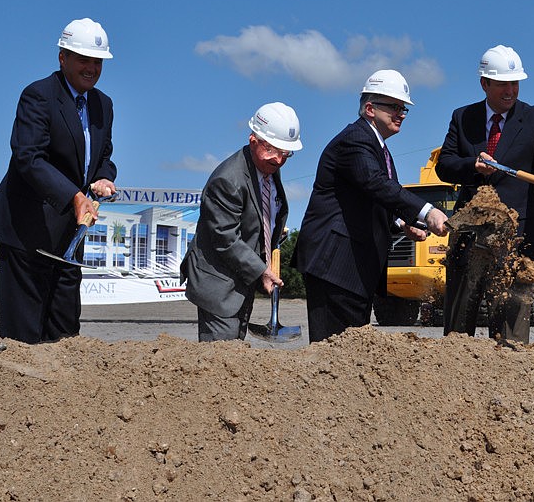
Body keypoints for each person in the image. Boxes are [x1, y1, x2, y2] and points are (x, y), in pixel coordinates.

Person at [292, 70, 449, 343]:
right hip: (336, 266)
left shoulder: (379, 149)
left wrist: (402, 224)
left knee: (351, 355)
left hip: (353, 269)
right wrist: (427, 211)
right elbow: (376, 185)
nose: (400, 114)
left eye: (404, 109)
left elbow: (369, 200)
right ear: (370, 108)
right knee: (335, 355)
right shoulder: (356, 140)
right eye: (394, 107)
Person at [0, 18, 117, 344]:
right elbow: (28, 158)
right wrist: (74, 196)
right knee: (24, 339)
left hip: (69, 239)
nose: (92, 68)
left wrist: (104, 177)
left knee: (65, 336)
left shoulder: (104, 105)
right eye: (83, 59)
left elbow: (102, 157)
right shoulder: (38, 96)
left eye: (97, 61)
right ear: (63, 58)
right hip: (26, 234)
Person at [435, 44, 534, 344]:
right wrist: (473, 165)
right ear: (484, 83)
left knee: (511, 330)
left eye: (515, 83)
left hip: (517, 235)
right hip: (469, 231)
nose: (510, 90)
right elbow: (445, 165)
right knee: (458, 326)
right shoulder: (462, 117)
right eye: (503, 84)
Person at [180, 102, 302, 341]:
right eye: (272, 150)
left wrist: (273, 231)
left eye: (285, 153)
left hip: (240, 282)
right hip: (218, 285)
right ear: (253, 139)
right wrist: (262, 271)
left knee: (235, 356)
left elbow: (260, 212)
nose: (278, 159)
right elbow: (225, 238)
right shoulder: (227, 180)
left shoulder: (267, 167)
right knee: (219, 362)